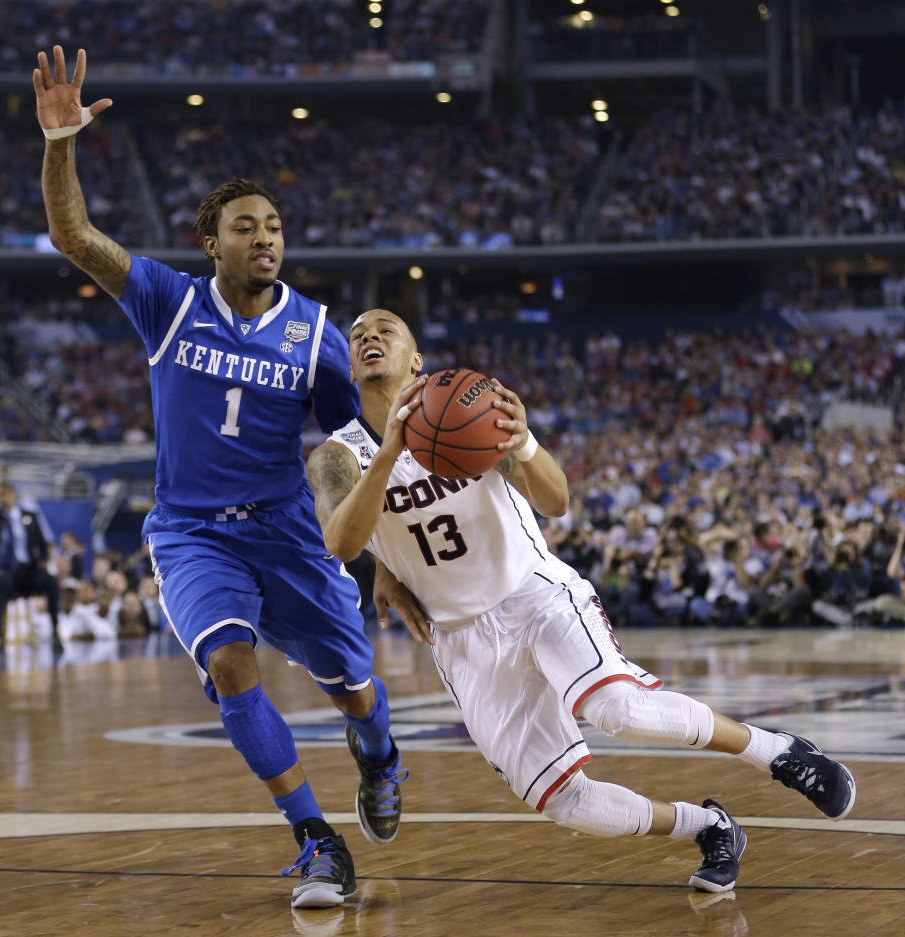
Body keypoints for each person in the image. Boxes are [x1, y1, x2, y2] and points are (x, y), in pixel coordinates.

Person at [306, 308, 857, 894]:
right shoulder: (337, 456)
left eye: (385, 330)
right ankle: (709, 825)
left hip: (534, 594)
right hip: (461, 637)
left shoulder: (471, 405)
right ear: (347, 363)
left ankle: (779, 752)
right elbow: (342, 540)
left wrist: (525, 442)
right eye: (358, 335)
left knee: (617, 708)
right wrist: (388, 478)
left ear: (416, 358)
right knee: (565, 800)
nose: (369, 338)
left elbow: (558, 499)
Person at [33, 45, 407, 909]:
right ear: (212, 244)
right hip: (193, 532)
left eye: (274, 226)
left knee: (353, 687)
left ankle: (381, 755)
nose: (266, 237)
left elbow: (352, 442)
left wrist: (383, 548)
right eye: (246, 227)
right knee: (231, 667)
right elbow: (74, 236)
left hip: (286, 527)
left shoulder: (316, 330)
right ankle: (317, 839)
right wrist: (62, 144)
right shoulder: (168, 299)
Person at [0, 482, 61, 652]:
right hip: (8, 572)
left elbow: (42, 542)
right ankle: (0, 639)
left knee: (51, 582)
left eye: (6, 494)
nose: (3, 498)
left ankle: (56, 633)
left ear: (14, 495)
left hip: (29, 571)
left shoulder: (30, 516)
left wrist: (44, 560)